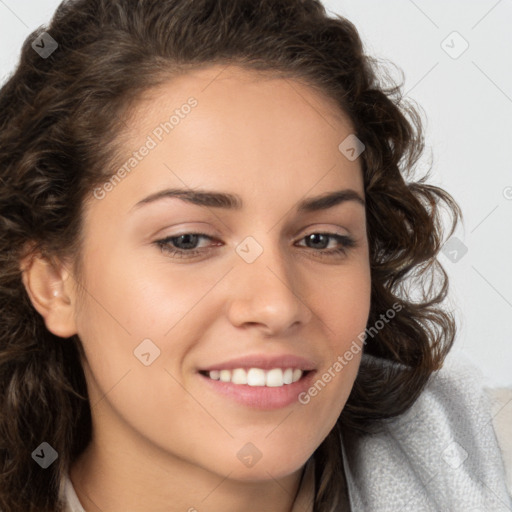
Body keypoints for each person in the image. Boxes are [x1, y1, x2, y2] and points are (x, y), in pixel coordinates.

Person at [0, 0, 510, 511]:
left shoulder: (491, 460)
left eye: (321, 239)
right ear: (53, 280)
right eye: (188, 240)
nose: (276, 305)